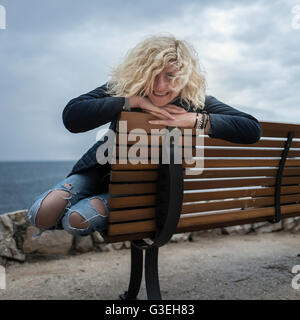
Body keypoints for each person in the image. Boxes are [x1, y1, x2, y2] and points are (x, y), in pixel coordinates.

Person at [26, 35, 262, 237]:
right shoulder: (125, 89)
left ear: (185, 76)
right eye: (153, 75)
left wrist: (195, 119)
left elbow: (251, 129)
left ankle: (97, 206)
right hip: (99, 171)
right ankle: (86, 203)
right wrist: (130, 102)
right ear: (141, 73)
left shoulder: (197, 102)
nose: (159, 86)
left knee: (76, 220)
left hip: (143, 190)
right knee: (41, 213)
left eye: (170, 76)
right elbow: (72, 116)